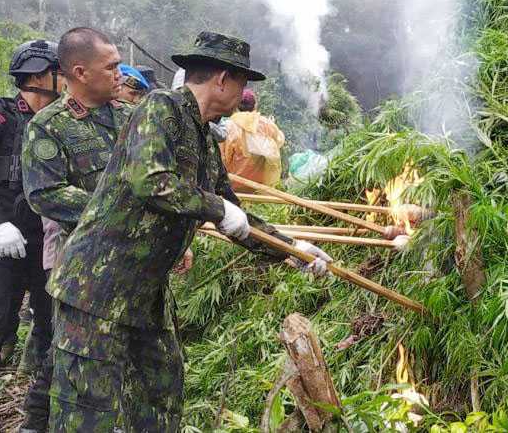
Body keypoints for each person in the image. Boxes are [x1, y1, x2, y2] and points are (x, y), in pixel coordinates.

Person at [45, 31, 332, 432]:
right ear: (222, 79)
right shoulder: (159, 109)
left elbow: (237, 216)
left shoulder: (202, 136)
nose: (243, 92)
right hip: (97, 286)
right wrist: (216, 208)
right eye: (243, 82)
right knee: (86, 410)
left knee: (160, 394)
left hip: (146, 292)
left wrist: (294, 250)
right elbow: (151, 180)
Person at [19, 27, 134, 433]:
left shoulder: (130, 118)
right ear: (80, 72)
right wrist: (119, 211)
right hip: (84, 271)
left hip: (136, 266)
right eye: (112, 66)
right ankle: (40, 421)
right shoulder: (49, 126)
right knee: (78, 368)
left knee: (134, 363)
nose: (120, 73)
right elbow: (46, 194)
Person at [0, 40, 62, 376]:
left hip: (44, 242)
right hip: (4, 241)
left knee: (51, 323)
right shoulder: (2, 117)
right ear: (39, 76)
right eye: (59, 73)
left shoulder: (63, 121)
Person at [220, 88, 286, 190]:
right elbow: (279, 141)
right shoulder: (266, 124)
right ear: (255, 105)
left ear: (236, 105)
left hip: (234, 188)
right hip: (261, 190)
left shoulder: (228, 127)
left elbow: (222, 158)